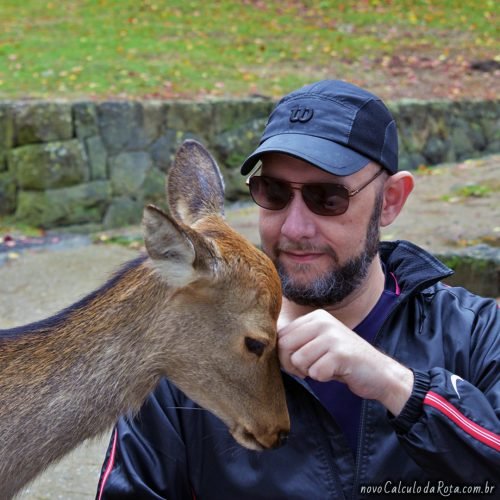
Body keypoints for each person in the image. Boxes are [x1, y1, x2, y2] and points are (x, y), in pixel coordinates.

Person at [96, 80, 499, 499]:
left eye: (327, 198)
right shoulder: (186, 361)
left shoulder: (475, 334)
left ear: (391, 200)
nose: (294, 228)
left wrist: (396, 387)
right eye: (273, 193)